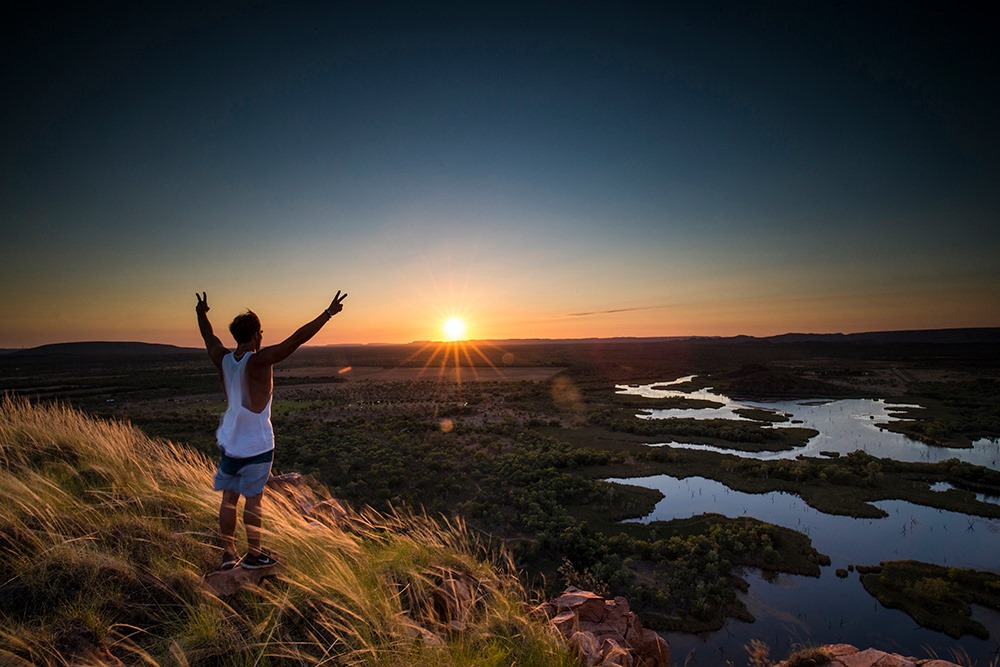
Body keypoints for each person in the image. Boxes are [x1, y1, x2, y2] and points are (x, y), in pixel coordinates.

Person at [195, 290, 347, 569]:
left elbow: (209, 338)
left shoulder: (222, 358)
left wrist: (201, 313)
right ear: (254, 335)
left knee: (229, 498)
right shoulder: (260, 360)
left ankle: (228, 553)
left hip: (230, 441)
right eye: (260, 332)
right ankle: (254, 554)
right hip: (257, 443)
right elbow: (296, 339)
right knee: (254, 498)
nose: (262, 336)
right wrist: (327, 314)